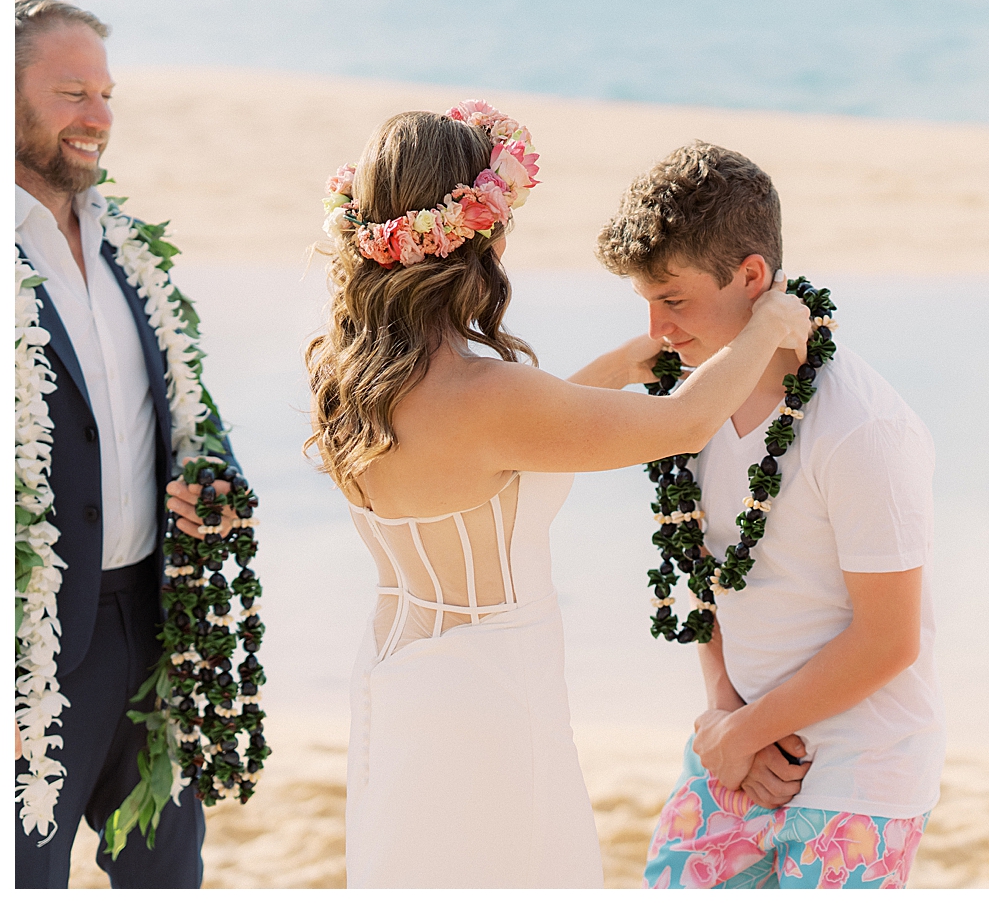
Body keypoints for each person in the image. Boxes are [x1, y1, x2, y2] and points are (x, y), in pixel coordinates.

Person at [303, 106, 811, 888]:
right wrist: (767, 323)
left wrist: (611, 367)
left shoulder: (351, 377)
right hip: (494, 689)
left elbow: (494, 463)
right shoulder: (487, 392)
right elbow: (681, 424)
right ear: (479, 236)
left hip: (399, 671)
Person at [594, 142, 943, 889]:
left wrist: (746, 731)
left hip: (859, 769)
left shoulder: (860, 426)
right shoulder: (691, 405)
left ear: (753, 276)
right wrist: (725, 715)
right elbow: (705, 566)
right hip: (734, 742)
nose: (658, 328)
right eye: (646, 303)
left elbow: (890, 639)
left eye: (675, 299)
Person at [14, 0, 238, 888]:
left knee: (168, 876)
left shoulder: (128, 249)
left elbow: (189, 414)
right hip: (28, 650)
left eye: (106, 94)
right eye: (72, 91)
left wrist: (215, 487)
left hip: (153, 632)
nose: (99, 118)